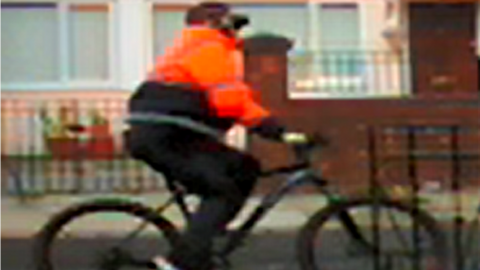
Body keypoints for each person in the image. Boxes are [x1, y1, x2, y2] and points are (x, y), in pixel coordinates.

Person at [125, 2, 311, 270]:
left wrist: (271, 128)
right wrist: (276, 130)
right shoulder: (208, 47)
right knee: (222, 191)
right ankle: (178, 262)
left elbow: (233, 101)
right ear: (215, 22)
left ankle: (204, 238)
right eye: (232, 23)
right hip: (170, 135)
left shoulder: (194, 45)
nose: (236, 31)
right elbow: (231, 103)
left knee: (245, 167)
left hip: (169, 133)